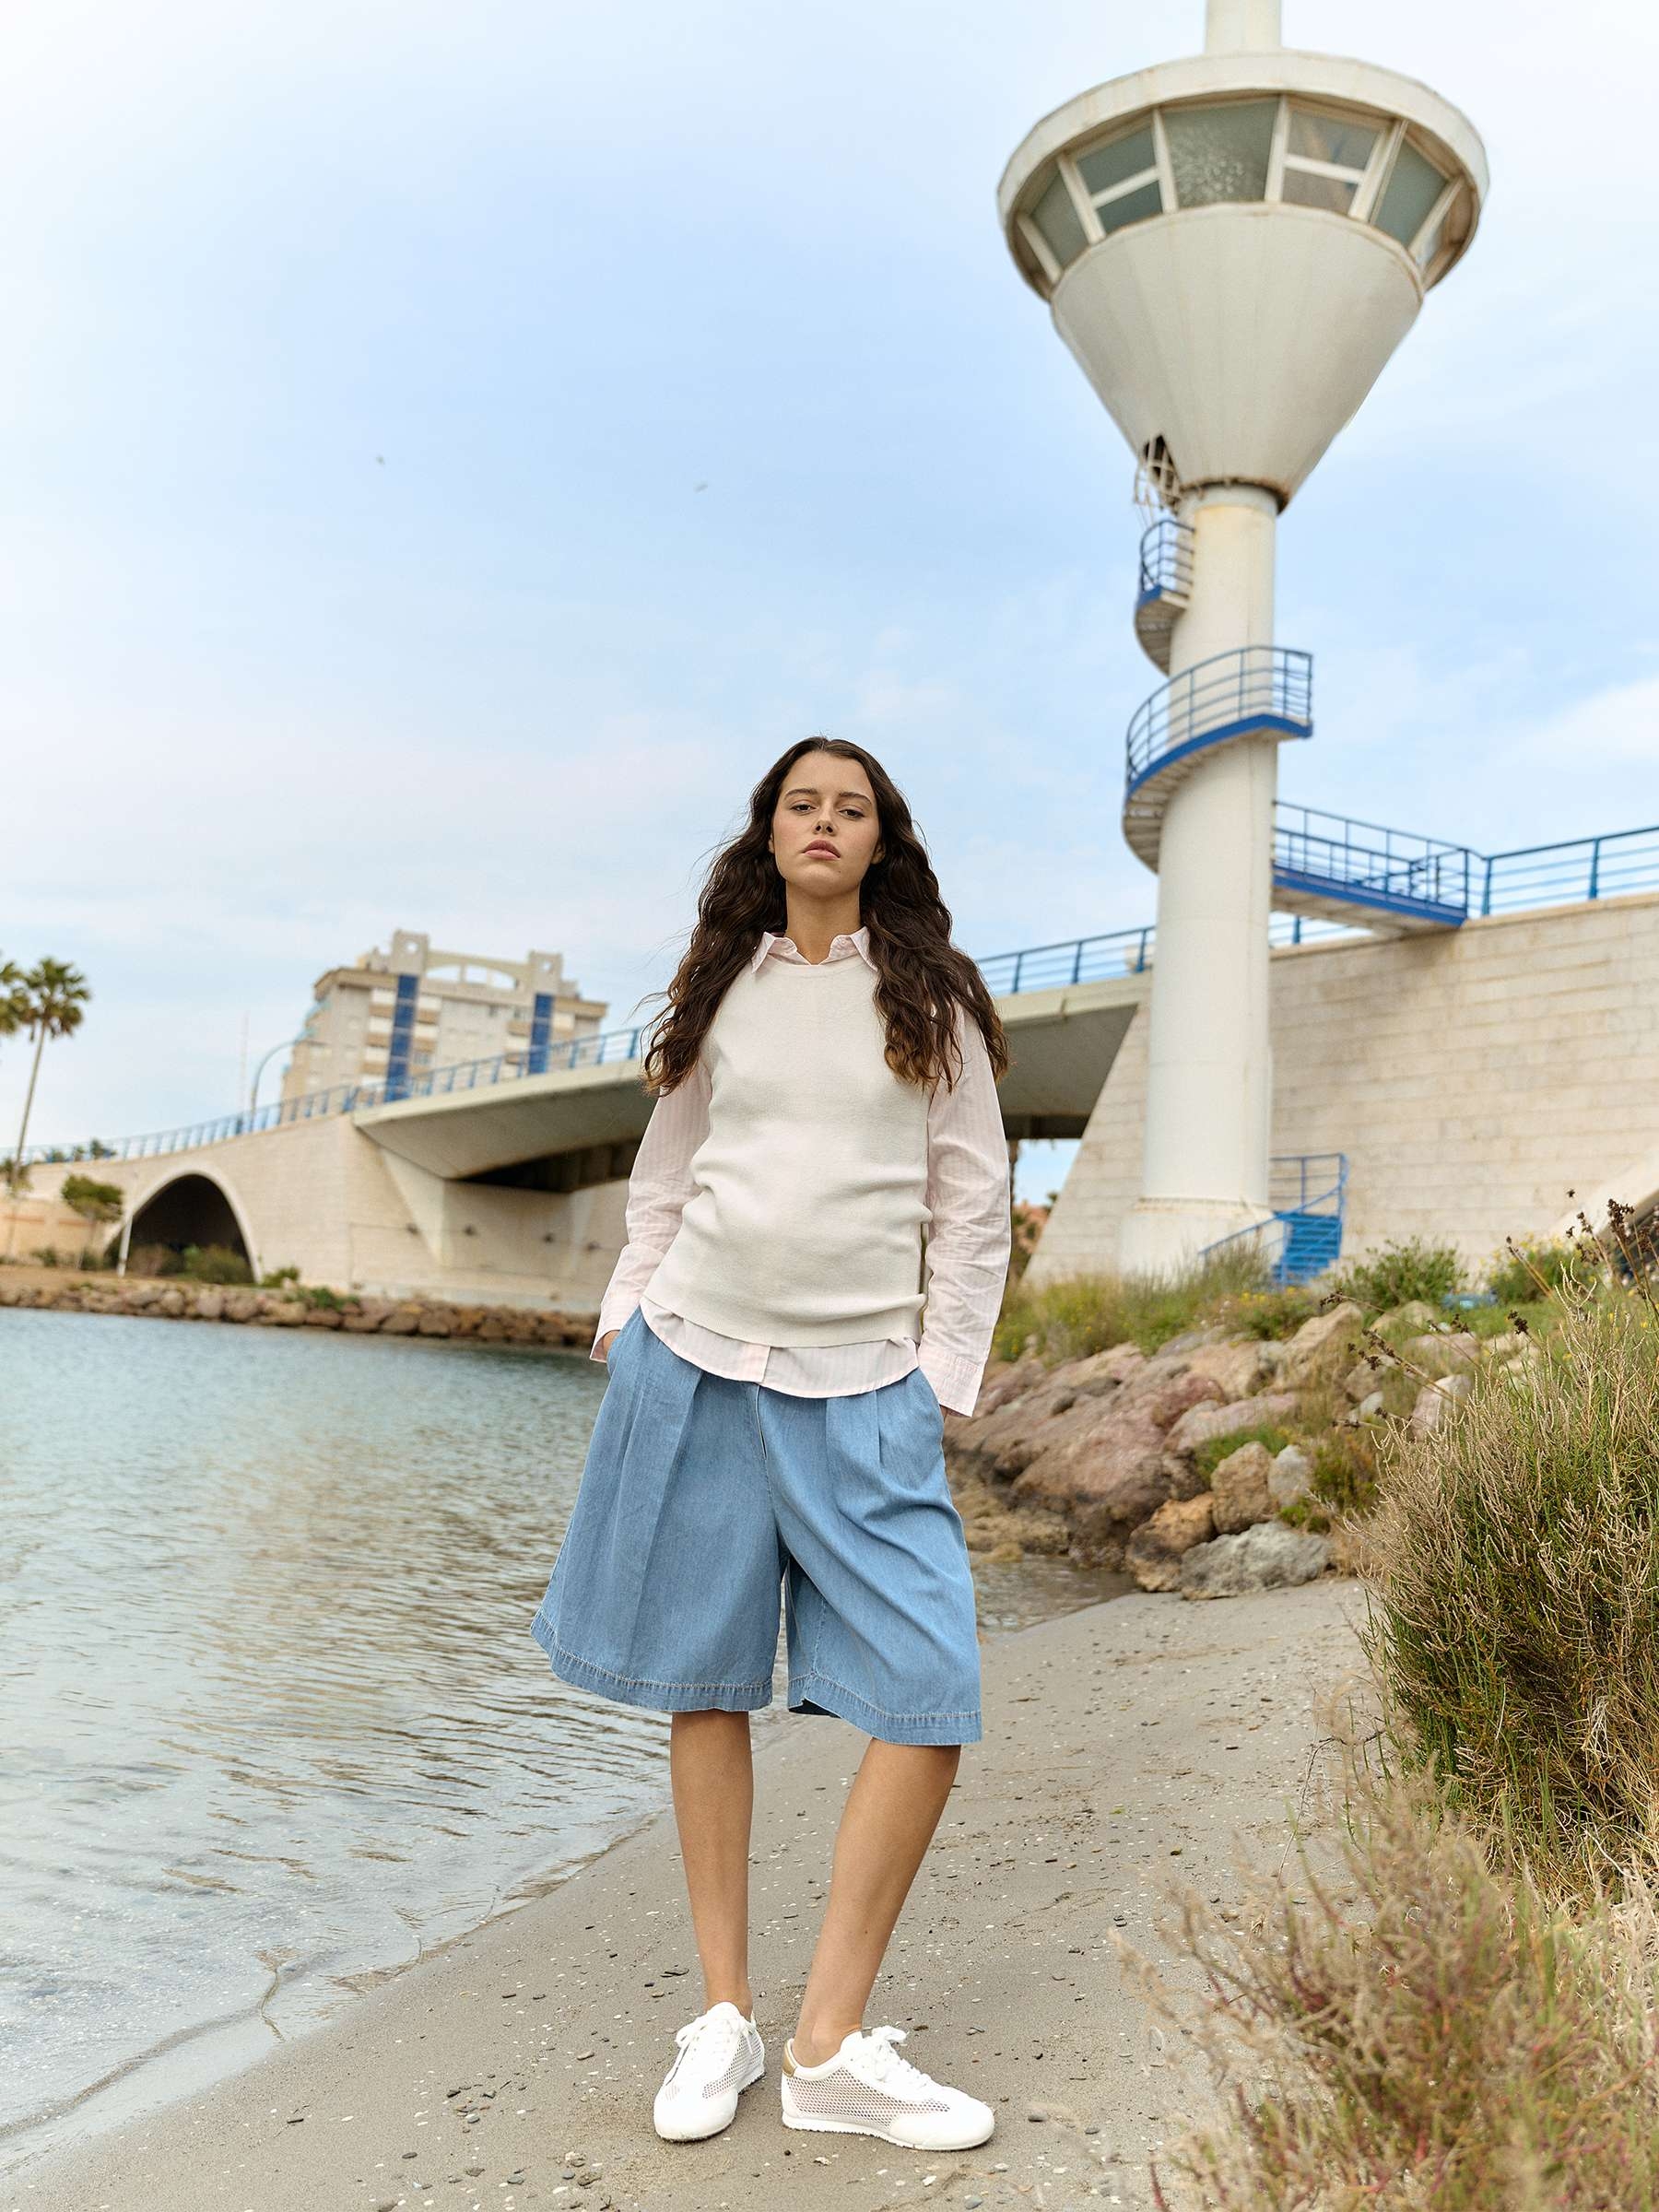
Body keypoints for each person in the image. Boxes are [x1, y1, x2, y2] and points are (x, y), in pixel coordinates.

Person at [529, 735, 1011, 2153]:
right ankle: (728, 2017)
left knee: (931, 1695)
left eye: (850, 808)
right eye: (803, 803)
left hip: (868, 1387)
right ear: (770, 832)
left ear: (880, 841)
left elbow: (972, 1203)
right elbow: (664, 1180)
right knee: (705, 1679)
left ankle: (828, 2047)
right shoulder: (716, 992)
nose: (825, 822)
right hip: (697, 1364)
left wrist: (941, 1380)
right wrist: (628, 1315)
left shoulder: (936, 1005)